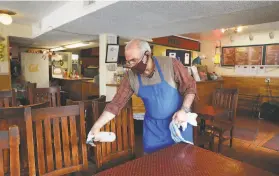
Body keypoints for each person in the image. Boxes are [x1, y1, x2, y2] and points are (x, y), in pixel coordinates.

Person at [88, 39, 197, 154]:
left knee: (181, 165)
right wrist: (97, 126)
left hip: (178, 123)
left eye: (134, 60)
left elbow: (190, 87)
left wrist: (184, 109)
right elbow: (116, 104)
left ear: (147, 54)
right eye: (128, 62)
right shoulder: (131, 77)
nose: (131, 65)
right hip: (153, 130)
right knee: (152, 166)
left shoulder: (171, 64)